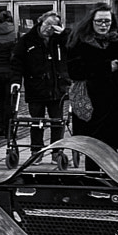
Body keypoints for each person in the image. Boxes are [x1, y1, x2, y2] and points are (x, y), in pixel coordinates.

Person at [66, 4, 118, 149]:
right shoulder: (80, 40)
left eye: (107, 21)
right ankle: (92, 173)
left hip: (113, 100)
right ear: (91, 21)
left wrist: (111, 79)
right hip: (89, 101)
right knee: (91, 149)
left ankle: (107, 173)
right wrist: (106, 67)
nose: (103, 25)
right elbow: (75, 71)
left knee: (111, 149)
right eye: (99, 21)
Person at [17, 11, 69, 142]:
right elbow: (16, 63)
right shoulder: (27, 40)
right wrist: (15, 81)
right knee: (36, 122)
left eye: (53, 26)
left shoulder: (60, 40)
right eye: (47, 24)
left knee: (57, 122)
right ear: (41, 22)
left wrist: (64, 34)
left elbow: (75, 47)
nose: (49, 28)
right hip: (35, 88)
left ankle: (56, 152)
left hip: (56, 89)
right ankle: (36, 151)